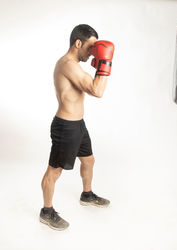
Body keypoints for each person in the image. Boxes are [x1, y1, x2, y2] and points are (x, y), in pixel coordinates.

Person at [39, 24, 115, 231]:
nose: (92, 53)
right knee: (54, 172)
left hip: (78, 124)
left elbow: (91, 87)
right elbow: (96, 91)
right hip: (65, 127)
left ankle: (87, 195)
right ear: (78, 43)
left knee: (89, 160)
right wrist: (105, 63)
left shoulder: (75, 64)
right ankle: (46, 211)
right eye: (91, 48)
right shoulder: (67, 64)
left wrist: (100, 63)